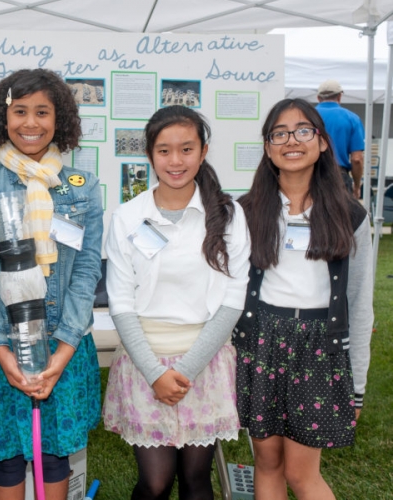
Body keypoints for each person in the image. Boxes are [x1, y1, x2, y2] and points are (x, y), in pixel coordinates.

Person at [0, 68, 103, 500]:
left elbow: (87, 270)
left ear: (60, 119)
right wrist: (3, 352)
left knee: (55, 454)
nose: (31, 123)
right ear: (4, 118)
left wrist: (62, 351)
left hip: (64, 344)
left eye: (42, 111)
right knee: (4, 457)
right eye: (20, 111)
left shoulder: (82, 186)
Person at [102, 105, 250, 500]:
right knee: (155, 482)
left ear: (203, 152)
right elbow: (120, 301)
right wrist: (155, 373)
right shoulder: (128, 217)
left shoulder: (228, 215)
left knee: (197, 479)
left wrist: (185, 370)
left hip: (204, 363)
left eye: (186, 149)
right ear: (149, 155)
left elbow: (233, 301)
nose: (175, 160)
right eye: (164, 150)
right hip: (144, 363)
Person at [236, 98, 373, 499]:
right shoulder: (246, 212)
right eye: (279, 133)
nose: (291, 140)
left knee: (301, 473)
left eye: (303, 131)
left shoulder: (351, 216)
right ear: (267, 146)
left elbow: (360, 305)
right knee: (267, 463)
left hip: (318, 347)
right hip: (260, 341)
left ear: (323, 142)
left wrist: (358, 384)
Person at [316, 80, 364, 198]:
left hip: (309, 175)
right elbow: (357, 159)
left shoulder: (306, 116)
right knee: (339, 215)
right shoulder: (352, 118)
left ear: (318, 98)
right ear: (339, 96)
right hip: (338, 176)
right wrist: (357, 186)